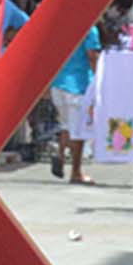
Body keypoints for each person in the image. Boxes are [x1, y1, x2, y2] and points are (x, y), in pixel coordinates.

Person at [46, 19, 101, 185]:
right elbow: (92, 56)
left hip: (58, 83)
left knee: (65, 124)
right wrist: (99, 79)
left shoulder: (59, 26)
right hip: (77, 85)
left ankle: (61, 154)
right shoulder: (90, 29)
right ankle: (76, 172)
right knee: (78, 131)